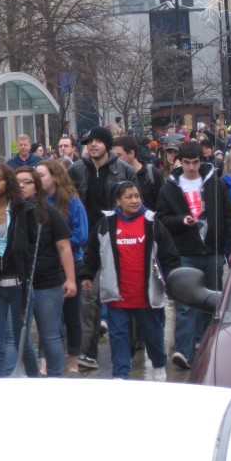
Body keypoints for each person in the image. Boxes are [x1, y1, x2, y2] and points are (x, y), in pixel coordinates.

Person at [155, 140, 231, 370]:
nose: (191, 167)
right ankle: (184, 351)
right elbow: (161, 219)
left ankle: (208, 349)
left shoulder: (216, 184)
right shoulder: (170, 187)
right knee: (185, 304)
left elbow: (230, 216)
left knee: (212, 304)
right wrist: (180, 221)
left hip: (212, 250)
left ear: (201, 161)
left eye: (195, 162)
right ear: (179, 162)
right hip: (185, 251)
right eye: (187, 163)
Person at [82, 181, 180, 381]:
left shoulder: (152, 222)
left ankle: (159, 365)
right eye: (129, 197)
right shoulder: (106, 224)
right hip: (117, 295)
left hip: (147, 295)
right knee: (118, 337)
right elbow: (92, 251)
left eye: (137, 196)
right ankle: (120, 374)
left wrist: (171, 279)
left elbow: (169, 255)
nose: (135, 200)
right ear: (118, 201)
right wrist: (86, 275)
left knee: (153, 335)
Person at [69, 125, 137, 370]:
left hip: (119, 242)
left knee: (124, 297)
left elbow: (135, 205)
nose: (93, 145)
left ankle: (127, 351)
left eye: (98, 141)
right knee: (89, 300)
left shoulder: (124, 170)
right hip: (89, 245)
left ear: (107, 144)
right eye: (89, 141)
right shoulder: (76, 170)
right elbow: (69, 205)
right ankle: (88, 353)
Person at [11, 167, 77, 376]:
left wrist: (71, 279)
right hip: (19, 282)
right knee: (20, 335)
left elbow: (64, 246)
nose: (21, 185)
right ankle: (33, 375)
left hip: (48, 282)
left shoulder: (49, 212)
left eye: (27, 182)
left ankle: (55, 377)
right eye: (17, 181)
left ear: (37, 187)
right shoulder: (9, 211)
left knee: (50, 335)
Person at [37, 159, 89, 375]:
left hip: (71, 263)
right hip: (46, 265)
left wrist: (59, 245)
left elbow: (81, 234)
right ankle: (43, 361)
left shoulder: (72, 202)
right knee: (46, 315)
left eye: (41, 175)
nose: (37, 179)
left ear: (55, 177)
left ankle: (74, 360)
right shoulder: (35, 202)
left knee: (71, 314)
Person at [112, 135, 164, 210]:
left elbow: (163, 204)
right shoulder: (114, 175)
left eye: (118, 155)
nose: (115, 159)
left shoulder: (152, 173)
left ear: (131, 153)